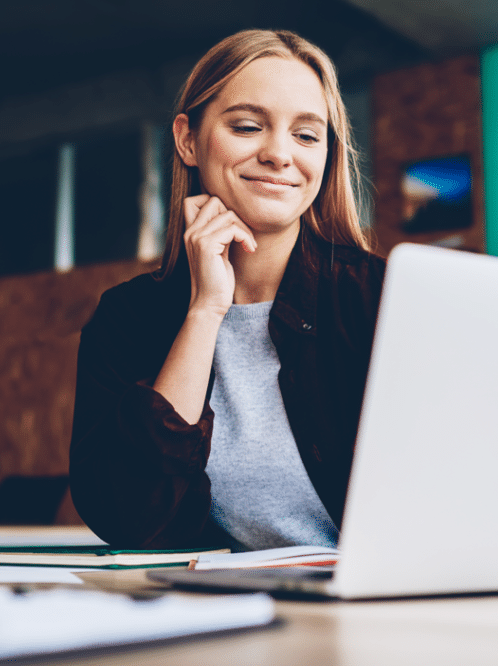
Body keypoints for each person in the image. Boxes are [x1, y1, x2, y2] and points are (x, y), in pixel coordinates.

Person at [69, 29, 386, 550]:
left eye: (307, 135)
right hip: (218, 613)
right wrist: (205, 310)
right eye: (246, 126)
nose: (280, 154)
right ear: (188, 139)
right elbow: (128, 517)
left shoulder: (378, 299)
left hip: (378, 613)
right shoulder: (129, 317)